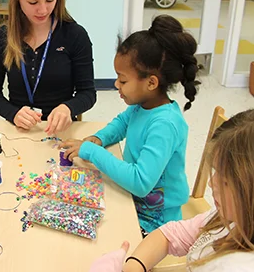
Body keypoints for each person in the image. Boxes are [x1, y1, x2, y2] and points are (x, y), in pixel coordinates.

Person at [61, 15, 200, 234]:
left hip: (155, 222)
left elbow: (140, 181)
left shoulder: (165, 124)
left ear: (151, 82)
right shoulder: (143, 104)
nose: (116, 84)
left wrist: (92, 151)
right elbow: (121, 124)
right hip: (133, 202)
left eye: (123, 80)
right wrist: (99, 138)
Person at [89, 109, 254, 272]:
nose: (211, 183)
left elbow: (139, 181)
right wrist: (133, 266)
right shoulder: (226, 218)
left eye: (225, 181)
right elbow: (169, 234)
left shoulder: (237, 265)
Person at [0, 0, 96, 135]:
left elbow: (88, 94)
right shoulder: (2, 37)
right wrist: (13, 113)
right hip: (19, 131)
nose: (43, 10)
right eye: (33, 2)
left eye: (50, 0)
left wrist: (68, 108)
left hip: (60, 133)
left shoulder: (75, 35)